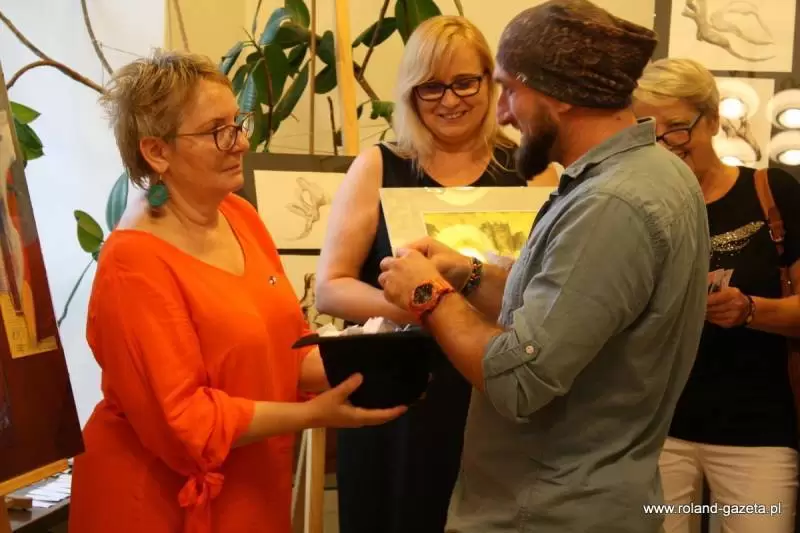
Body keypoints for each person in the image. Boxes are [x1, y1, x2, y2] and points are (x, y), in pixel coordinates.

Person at [376, 1, 712, 532]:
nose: (503, 113)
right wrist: (468, 275)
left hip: (545, 511)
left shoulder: (611, 205)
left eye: (509, 90)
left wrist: (429, 296)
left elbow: (518, 380)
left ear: (558, 94)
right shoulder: (654, 174)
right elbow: (568, 311)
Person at [68, 50, 406, 533]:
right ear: (157, 152)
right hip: (157, 505)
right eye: (217, 131)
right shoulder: (133, 263)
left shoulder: (238, 215)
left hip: (250, 486)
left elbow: (288, 351)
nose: (242, 142)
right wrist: (312, 415)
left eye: (238, 122)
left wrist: (381, 357)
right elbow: (184, 421)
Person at [314, 15, 527, 533]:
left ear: (490, 81)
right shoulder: (378, 165)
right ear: (410, 93)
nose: (449, 100)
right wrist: (426, 307)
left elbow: (547, 289)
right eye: (431, 86)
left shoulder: (528, 167)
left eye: (464, 82)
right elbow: (330, 288)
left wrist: (439, 302)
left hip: (496, 394)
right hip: (401, 395)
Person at [632, 58, 800, 533]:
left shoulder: (771, 191)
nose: (665, 145)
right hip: (658, 431)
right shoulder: (636, 206)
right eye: (647, 132)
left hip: (759, 434)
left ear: (712, 120)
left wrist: (749, 310)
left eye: (677, 127)